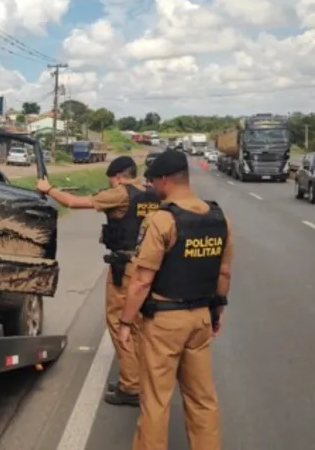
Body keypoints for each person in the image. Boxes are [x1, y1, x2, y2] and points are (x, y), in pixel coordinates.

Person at [117, 149, 233, 450]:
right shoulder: (220, 219)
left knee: (156, 400)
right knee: (202, 399)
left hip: (165, 322)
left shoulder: (162, 220)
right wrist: (217, 313)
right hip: (201, 320)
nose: (152, 187)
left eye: (153, 180)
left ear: (165, 180)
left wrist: (126, 322)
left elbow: (142, 280)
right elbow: (224, 273)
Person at [35, 155, 160, 406]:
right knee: (139, 325)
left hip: (125, 268)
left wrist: (48, 189)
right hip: (149, 265)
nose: (113, 184)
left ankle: (131, 387)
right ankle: (137, 378)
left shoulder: (120, 194)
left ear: (118, 177)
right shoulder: (151, 192)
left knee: (119, 322)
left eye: (112, 180)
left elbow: (73, 202)